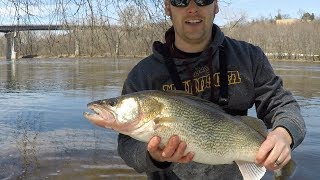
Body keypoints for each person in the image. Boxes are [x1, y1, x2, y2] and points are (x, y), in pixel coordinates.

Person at [117, 0, 306, 179]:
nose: (192, 8)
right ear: (168, 6)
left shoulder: (249, 57)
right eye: (181, 1)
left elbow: (283, 104)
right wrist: (153, 156)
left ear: (215, 5)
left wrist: (284, 133)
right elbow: (127, 146)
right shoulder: (143, 75)